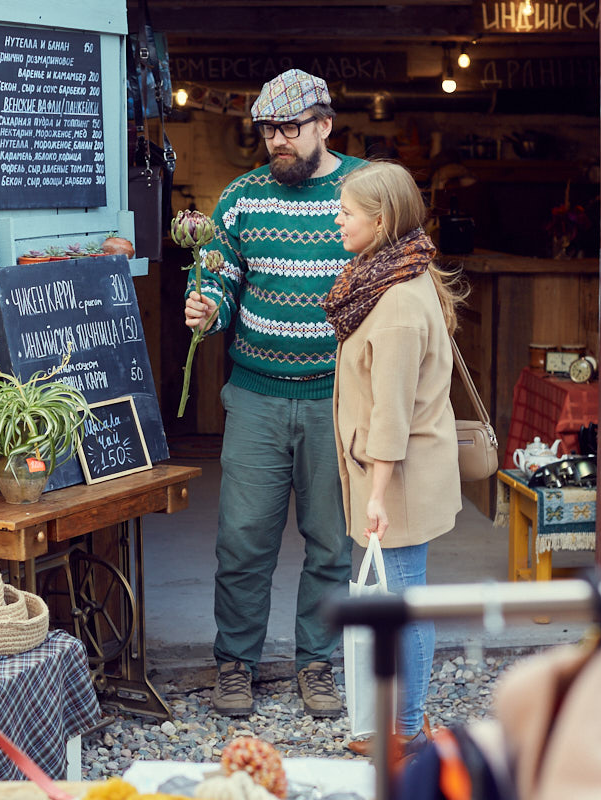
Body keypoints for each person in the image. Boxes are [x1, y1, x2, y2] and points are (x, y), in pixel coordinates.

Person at [183, 69, 366, 718]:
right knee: (242, 540)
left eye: (290, 129)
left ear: (325, 124)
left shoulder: (364, 191)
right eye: (268, 131)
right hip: (257, 399)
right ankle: (236, 663)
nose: (278, 142)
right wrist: (205, 305)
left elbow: (396, 273)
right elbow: (221, 274)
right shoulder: (242, 198)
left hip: (337, 401)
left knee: (332, 542)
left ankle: (317, 664)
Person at [320, 160, 465, 755]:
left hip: (399, 480)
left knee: (405, 600)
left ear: (381, 220)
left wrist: (376, 494)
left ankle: (404, 732)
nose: (338, 220)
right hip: (394, 474)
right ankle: (402, 721)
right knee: (404, 596)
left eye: (347, 212)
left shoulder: (398, 303)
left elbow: (392, 415)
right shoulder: (386, 279)